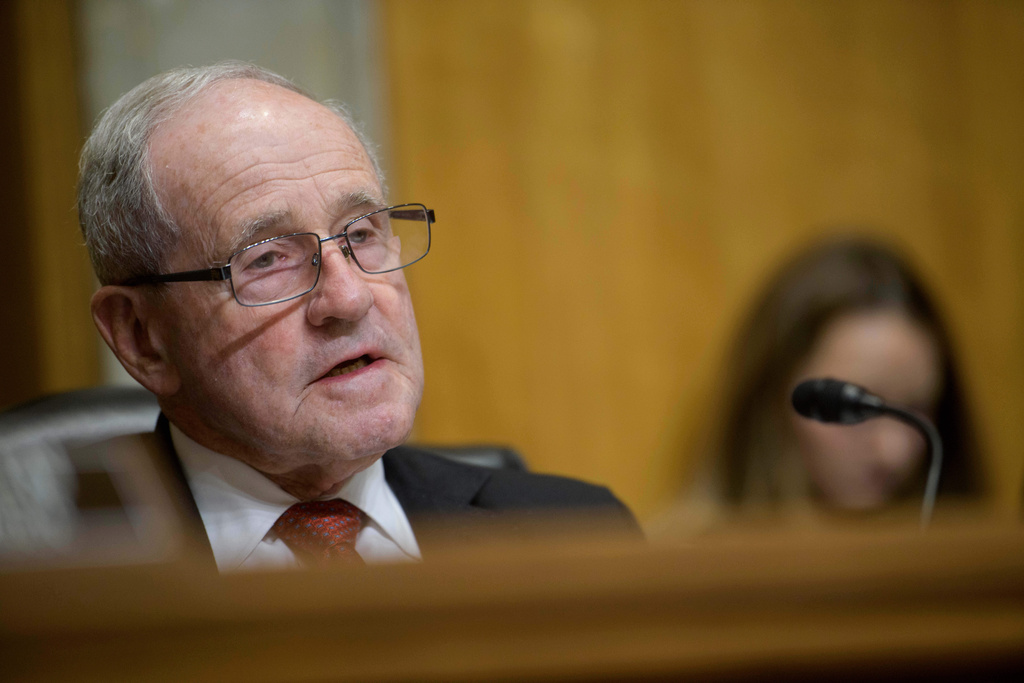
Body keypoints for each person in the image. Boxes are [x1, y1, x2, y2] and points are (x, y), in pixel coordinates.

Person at [77, 61, 637, 571]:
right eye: (267, 259)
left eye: (362, 233)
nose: (350, 299)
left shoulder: (579, 540)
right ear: (140, 336)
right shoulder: (60, 588)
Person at [660, 237, 986, 531]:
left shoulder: (972, 562)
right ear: (772, 396)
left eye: (918, 409)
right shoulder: (678, 565)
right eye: (856, 406)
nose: (894, 452)